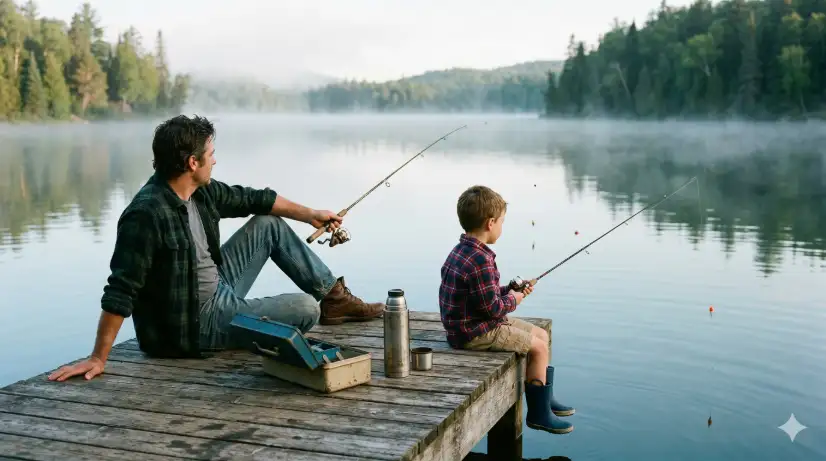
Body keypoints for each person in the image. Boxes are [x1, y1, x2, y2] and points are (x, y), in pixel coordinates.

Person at [48, 115, 384, 382]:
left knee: (267, 224)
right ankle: (291, 313)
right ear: (192, 163)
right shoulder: (146, 215)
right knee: (305, 309)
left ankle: (335, 299)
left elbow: (255, 198)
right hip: (193, 326)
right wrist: (98, 357)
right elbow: (121, 290)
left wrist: (311, 214)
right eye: (210, 155)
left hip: (216, 287)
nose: (215, 160)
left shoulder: (199, 190)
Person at [438, 185, 575, 434]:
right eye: (502, 221)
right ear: (491, 223)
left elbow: (482, 296)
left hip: (468, 323)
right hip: (474, 333)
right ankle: (538, 414)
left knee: (541, 335)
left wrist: (510, 288)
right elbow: (494, 310)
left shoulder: (461, 251)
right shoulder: (481, 259)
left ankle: (543, 395)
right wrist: (515, 299)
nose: (502, 226)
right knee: (540, 347)